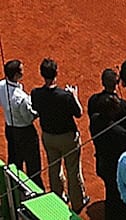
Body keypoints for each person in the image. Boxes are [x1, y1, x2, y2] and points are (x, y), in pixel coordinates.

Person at [30, 58, 84, 212]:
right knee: (73, 170)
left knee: (54, 168)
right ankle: (77, 203)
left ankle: (57, 198)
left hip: (48, 137)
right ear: (56, 73)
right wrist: (74, 95)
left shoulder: (36, 94)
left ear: (42, 74)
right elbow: (79, 113)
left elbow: (35, 108)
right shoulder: (65, 96)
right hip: (67, 138)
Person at [89, 67, 126, 219]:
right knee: (118, 191)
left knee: (110, 188)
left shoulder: (93, 102)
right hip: (117, 162)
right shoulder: (122, 107)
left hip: (101, 157)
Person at [1, 60, 37, 181]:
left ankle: (14, 189)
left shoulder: (1, 86)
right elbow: (28, 118)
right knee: (33, 165)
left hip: (10, 130)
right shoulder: (21, 98)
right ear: (16, 76)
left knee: (15, 162)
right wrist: (37, 112)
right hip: (25, 133)